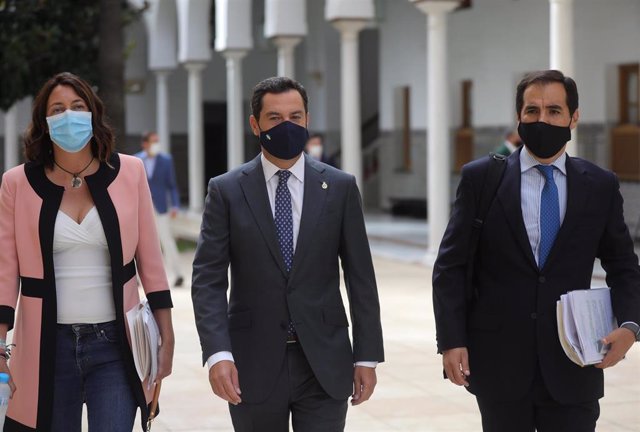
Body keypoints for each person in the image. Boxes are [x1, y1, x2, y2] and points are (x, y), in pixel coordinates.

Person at [433, 69, 640, 431]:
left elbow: (623, 265)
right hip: (499, 365)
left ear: (574, 118)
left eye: (554, 111)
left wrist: (630, 326)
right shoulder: (481, 179)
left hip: (576, 364)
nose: (542, 119)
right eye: (532, 111)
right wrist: (451, 341)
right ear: (519, 117)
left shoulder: (600, 186)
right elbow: (451, 266)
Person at [191, 76, 384, 432]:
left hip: (325, 361)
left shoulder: (339, 187)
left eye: (295, 117)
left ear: (307, 120)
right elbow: (208, 279)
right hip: (252, 363)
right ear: (255, 124)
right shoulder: (227, 190)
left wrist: (367, 356)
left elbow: (361, 277)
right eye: (275, 118)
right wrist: (218, 353)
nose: (287, 126)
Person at [0, 72, 175, 431]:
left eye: (78, 107)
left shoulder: (131, 172)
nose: (69, 115)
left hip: (116, 344)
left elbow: (151, 263)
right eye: (58, 109)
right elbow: (4, 272)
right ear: (44, 123)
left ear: (93, 114)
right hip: (46, 348)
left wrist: (166, 334)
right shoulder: (17, 183)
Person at [135, 132, 185, 287]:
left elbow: (172, 185)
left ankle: (178, 275)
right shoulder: (135, 160)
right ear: (145, 144)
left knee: (167, 241)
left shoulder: (166, 160)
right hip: (139, 208)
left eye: (158, 141)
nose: (157, 144)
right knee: (136, 243)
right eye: (154, 141)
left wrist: (175, 205)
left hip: (161, 208)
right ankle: (135, 277)